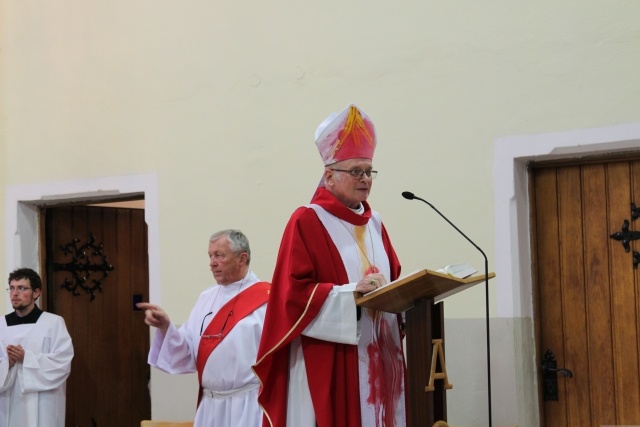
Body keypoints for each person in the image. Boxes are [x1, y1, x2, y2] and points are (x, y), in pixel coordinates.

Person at [254, 104, 407, 427]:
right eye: (355, 171)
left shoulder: (376, 223)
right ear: (329, 176)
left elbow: (395, 280)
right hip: (332, 362)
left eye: (368, 171)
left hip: (379, 359)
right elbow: (292, 297)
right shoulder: (308, 221)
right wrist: (352, 294)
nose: (365, 179)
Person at [138, 229, 269, 427]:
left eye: (219, 255)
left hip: (248, 406)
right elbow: (188, 350)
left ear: (242, 259)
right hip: (210, 406)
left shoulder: (267, 301)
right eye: (210, 256)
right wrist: (166, 326)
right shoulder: (206, 299)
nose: (212, 263)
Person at [0, 267, 74, 427]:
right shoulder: (1, 325)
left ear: (36, 292)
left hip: (44, 403)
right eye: (12, 288)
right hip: (9, 402)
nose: (15, 293)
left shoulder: (53, 323)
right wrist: (9, 363)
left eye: (22, 288)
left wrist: (26, 357)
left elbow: (62, 362)